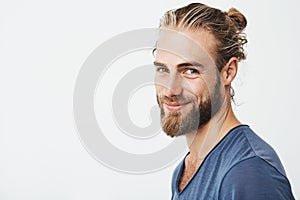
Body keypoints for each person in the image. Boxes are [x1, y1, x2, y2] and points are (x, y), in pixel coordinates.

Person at [153, 3, 295, 199]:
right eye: (163, 69)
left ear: (228, 72)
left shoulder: (249, 171)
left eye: (190, 71)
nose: (170, 90)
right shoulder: (184, 170)